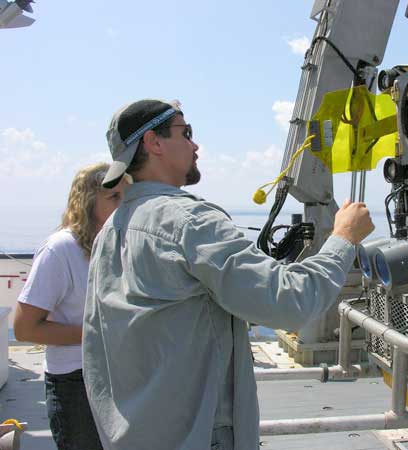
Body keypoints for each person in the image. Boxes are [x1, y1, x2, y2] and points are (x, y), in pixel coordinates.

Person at [82, 99, 374, 450]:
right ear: (153, 143)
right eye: (185, 133)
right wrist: (344, 238)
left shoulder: (110, 231)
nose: (195, 145)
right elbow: (290, 301)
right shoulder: (190, 223)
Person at [14, 162, 127, 450]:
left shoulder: (119, 245)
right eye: (114, 197)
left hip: (120, 376)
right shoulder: (60, 250)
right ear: (88, 202)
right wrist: (96, 334)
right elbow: (25, 327)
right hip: (75, 384)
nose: (124, 205)